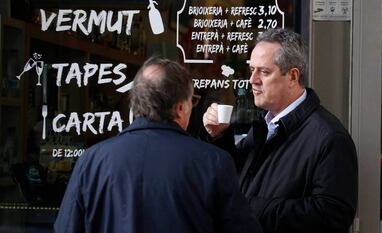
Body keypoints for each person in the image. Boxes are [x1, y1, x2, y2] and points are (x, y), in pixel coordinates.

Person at [54, 57, 262, 233]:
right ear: (180, 108)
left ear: (134, 103)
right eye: (192, 101)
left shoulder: (92, 160)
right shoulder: (212, 162)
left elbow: (66, 228)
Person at [203, 28, 358, 233]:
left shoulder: (330, 138)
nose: (253, 80)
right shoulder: (264, 126)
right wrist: (219, 137)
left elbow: (333, 215)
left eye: (264, 72)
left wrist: (252, 207)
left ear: (293, 77)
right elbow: (234, 178)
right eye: (252, 70)